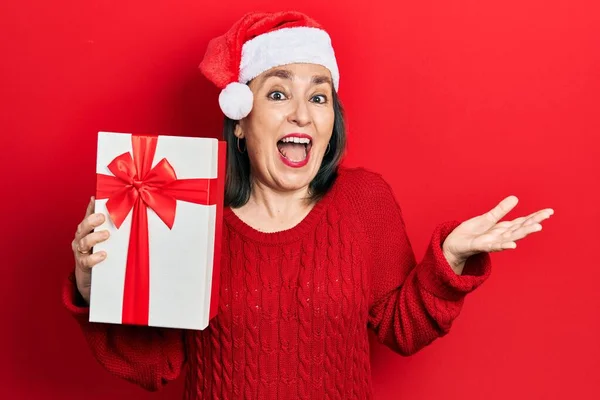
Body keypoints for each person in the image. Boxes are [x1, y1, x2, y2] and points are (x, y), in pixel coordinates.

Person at [63, 10, 554, 399]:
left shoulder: (364, 201)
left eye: (318, 98)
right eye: (278, 93)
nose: (301, 112)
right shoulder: (185, 212)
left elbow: (402, 328)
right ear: (240, 118)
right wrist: (95, 288)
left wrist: (447, 260)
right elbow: (154, 364)